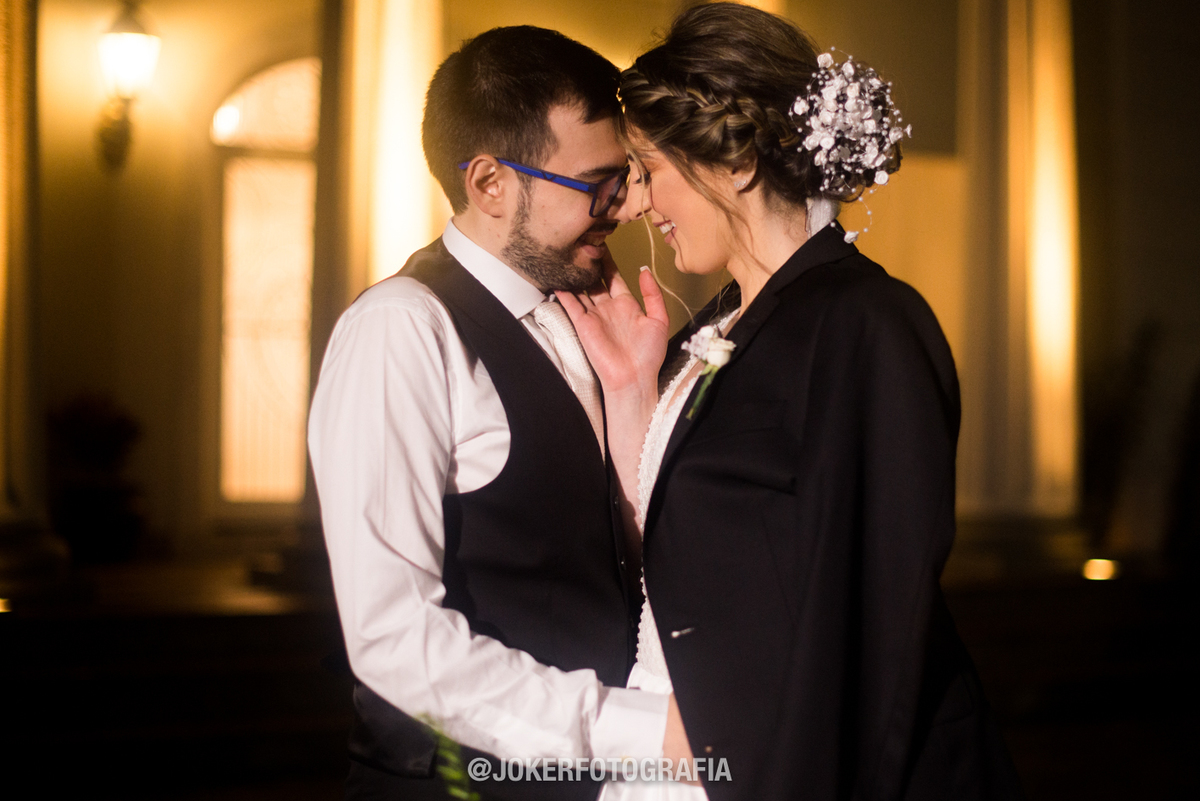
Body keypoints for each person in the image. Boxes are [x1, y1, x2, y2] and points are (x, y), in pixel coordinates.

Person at [561, 4, 1026, 800]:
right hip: (687, 747)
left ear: (736, 162)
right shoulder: (704, 331)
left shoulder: (866, 323)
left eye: (650, 168)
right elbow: (686, 557)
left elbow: (870, 626)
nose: (636, 203)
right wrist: (635, 391)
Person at [308, 26, 690, 801]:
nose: (623, 208)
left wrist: (635, 396)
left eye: (625, 181)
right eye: (598, 184)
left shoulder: (593, 317)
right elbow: (394, 639)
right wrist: (639, 731)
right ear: (488, 183)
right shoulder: (401, 330)